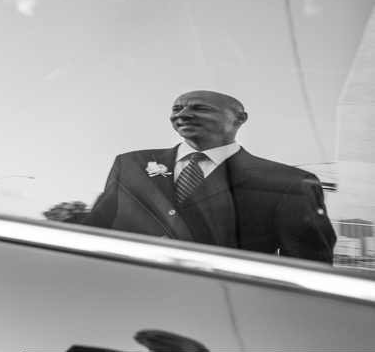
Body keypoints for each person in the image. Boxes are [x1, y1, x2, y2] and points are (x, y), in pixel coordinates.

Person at [80, 90, 336, 264]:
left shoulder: (289, 182)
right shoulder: (131, 163)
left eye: (201, 109)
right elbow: (96, 227)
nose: (183, 114)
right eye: (177, 108)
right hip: (116, 294)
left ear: (239, 119)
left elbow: (309, 264)